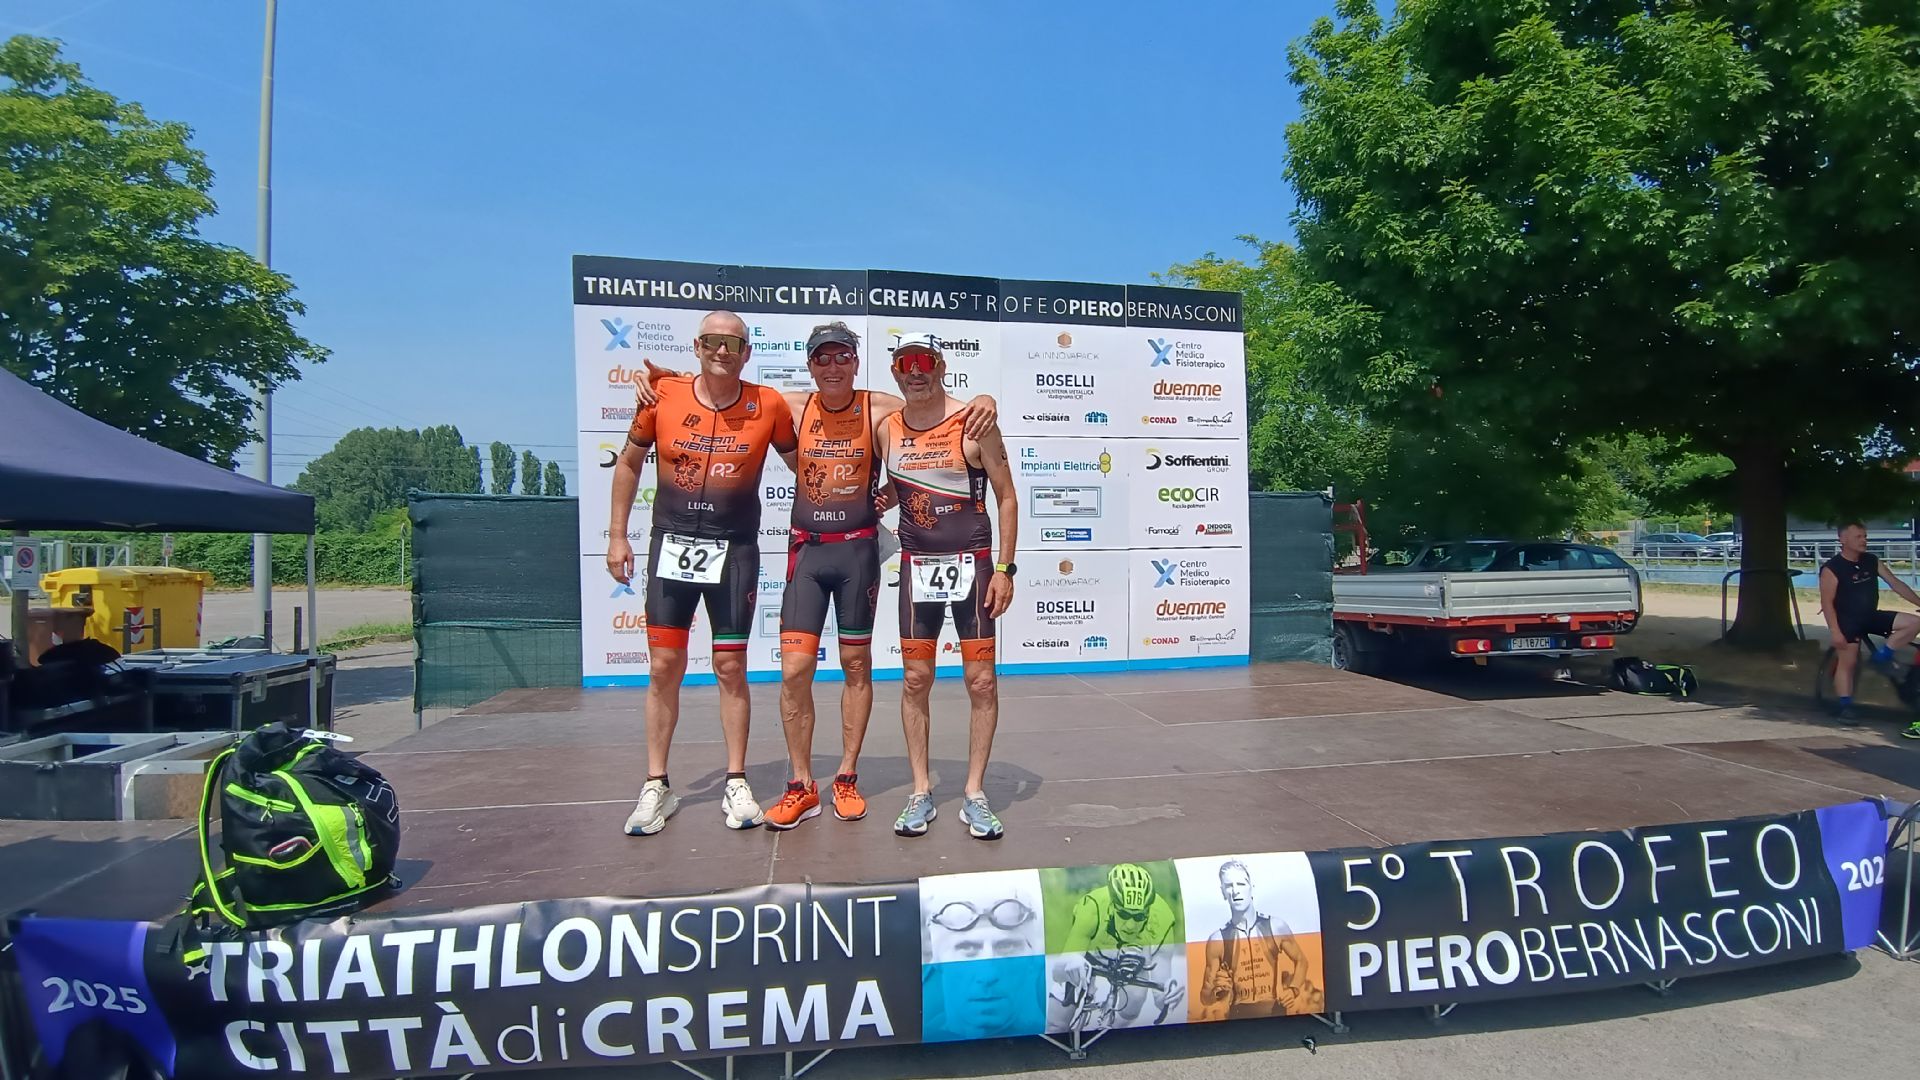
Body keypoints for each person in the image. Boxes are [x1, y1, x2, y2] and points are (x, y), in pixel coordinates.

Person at [632, 324, 999, 829]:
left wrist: (984, 400)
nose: (832, 366)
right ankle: (801, 785)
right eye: (822, 357)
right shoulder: (787, 405)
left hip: (857, 554)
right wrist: (668, 381)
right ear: (809, 364)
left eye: (842, 356)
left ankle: (846, 777)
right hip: (807, 553)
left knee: (856, 665)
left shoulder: (880, 408)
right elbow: (721, 388)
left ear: (856, 362)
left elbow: (932, 416)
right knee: (794, 671)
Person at [605, 310, 796, 835]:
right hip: (671, 544)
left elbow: (804, 463)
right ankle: (656, 784)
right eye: (712, 341)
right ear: (697, 346)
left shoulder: (769, 404)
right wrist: (617, 535)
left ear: (747, 353)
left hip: (734, 550)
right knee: (664, 666)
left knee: (730, 666)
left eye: (733, 344)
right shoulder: (661, 396)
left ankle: (736, 780)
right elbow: (628, 463)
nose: (722, 351)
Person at [876, 333, 1019, 840]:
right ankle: (920, 791)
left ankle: (975, 792)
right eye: (905, 363)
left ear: (940, 366)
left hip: (974, 568)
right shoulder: (887, 428)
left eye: (924, 361)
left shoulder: (974, 422)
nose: (915, 371)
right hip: (917, 568)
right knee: (916, 679)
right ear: (895, 372)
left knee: (981, 682)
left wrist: (1005, 569)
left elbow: (1006, 497)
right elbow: (903, 483)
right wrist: (882, 501)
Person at [1051, 863, 1185, 1030]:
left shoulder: (1163, 919)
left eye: (1139, 917)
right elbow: (1057, 972)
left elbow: (1160, 994)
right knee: (1056, 1024)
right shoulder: (1092, 907)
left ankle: (1109, 1030)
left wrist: (1168, 998)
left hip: (1132, 959)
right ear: (1112, 905)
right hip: (1091, 955)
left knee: (1136, 999)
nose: (1130, 925)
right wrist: (1071, 962)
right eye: (1123, 914)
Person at [1819, 521, 1920, 730]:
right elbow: (1827, 603)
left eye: (1865, 536)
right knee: (1848, 662)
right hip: (1847, 621)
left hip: (1870, 615)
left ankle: (1882, 657)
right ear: (1843, 539)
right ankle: (1845, 706)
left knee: (1914, 622)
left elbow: (1895, 584)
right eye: (1858, 537)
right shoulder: (1832, 568)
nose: (1864, 540)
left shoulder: (1871, 560)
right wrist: (1835, 631)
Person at [921, 884, 1045, 1041]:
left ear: (1034, 958)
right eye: (968, 948)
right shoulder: (915, 1034)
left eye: (1007, 947)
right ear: (936, 959)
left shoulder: (1059, 1027)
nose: (988, 974)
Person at [1199, 860, 1319, 1020]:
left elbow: (1301, 961)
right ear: (1223, 892)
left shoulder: (1275, 926)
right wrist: (1216, 991)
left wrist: (1293, 990)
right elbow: (1205, 997)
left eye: (1241, 884)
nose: (1235, 891)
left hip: (1275, 1010)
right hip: (1238, 1015)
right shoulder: (1217, 940)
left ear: (1251, 887)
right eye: (1229, 886)